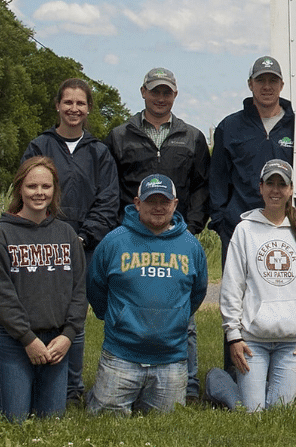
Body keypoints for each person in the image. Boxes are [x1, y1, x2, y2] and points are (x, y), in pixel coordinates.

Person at [0, 157, 87, 420]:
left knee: (51, 418)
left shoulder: (67, 235)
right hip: (13, 341)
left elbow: (79, 291)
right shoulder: (2, 235)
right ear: (20, 188)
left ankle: (4, 395)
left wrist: (68, 335)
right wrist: (27, 338)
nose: (39, 193)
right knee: (14, 418)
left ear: (55, 189)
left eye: (46, 186)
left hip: (55, 341)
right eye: (32, 186)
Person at [104, 67, 211, 402]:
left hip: (177, 235)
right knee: (134, 307)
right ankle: (129, 375)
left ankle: (188, 388)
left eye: (167, 92)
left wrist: (190, 229)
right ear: (143, 92)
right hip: (132, 234)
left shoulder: (191, 136)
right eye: (155, 91)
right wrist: (122, 229)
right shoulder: (120, 135)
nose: (161, 97)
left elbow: (201, 188)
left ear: (175, 95)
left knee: (184, 318)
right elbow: (110, 186)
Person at [22, 77, 120, 405]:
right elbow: (32, 191)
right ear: (57, 106)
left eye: (80, 103)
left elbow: (108, 200)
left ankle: (72, 388)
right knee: (43, 311)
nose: (74, 109)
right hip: (44, 245)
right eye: (68, 102)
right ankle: (36, 377)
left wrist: (82, 236)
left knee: (74, 317)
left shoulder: (99, 152)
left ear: (89, 108)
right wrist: (53, 235)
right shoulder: (40, 146)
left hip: (86, 247)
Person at [86, 174, 208, 415]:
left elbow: (197, 293)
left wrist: (176, 317)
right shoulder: (114, 242)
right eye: (151, 201)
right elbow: (96, 288)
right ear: (137, 203)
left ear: (175, 203)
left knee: (165, 429)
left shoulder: (191, 246)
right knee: (105, 423)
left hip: (171, 359)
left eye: (165, 201)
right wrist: (119, 317)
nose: (159, 207)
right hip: (121, 355)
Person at [206, 159, 296, 412]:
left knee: (279, 413)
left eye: (282, 184)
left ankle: (241, 388)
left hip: (291, 342)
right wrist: (233, 335)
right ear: (260, 187)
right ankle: (218, 380)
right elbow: (232, 286)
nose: (276, 190)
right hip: (252, 340)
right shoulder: (245, 230)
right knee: (253, 414)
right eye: (270, 183)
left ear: (291, 190)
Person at [209, 56, 296, 267]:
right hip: (238, 229)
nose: (267, 87)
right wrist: (223, 222)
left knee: (282, 294)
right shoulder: (230, 127)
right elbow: (217, 179)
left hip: (286, 228)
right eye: (260, 80)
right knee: (236, 296)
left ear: (282, 85)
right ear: (250, 84)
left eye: (273, 80)